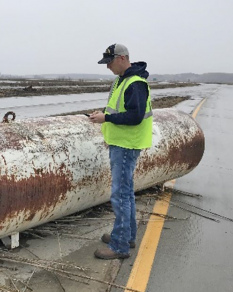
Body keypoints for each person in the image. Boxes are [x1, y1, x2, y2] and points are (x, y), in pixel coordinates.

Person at [88, 43, 153, 260]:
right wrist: (104, 113)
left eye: (110, 62)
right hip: (121, 143)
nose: (108, 67)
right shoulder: (122, 80)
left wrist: (106, 118)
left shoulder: (135, 84)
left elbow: (134, 117)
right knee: (126, 193)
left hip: (127, 145)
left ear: (122, 58)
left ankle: (119, 246)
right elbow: (120, 109)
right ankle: (127, 235)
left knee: (121, 195)